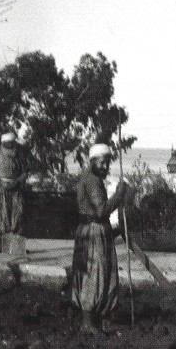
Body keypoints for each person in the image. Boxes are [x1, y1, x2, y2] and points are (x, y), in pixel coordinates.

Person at [70, 143, 130, 334]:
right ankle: (88, 322)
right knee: (95, 274)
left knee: (104, 274)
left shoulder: (89, 179)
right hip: (94, 231)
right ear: (92, 161)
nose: (105, 167)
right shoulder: (92, 181)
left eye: (107, 163)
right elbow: (101, 210)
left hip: (93, 230)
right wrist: (119, 194)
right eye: (102, 163)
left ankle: (103, 318)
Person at [0, 132, 28, 252]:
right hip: (0, 190)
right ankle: (0, 246)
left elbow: (25, 172)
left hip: (16, 190)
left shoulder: (20, 155)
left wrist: (17, 181)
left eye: (11, 143)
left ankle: (18, 247)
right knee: (0, 216)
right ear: (3, 143)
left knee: (18, 214)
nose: (9, 145)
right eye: (7, 143)